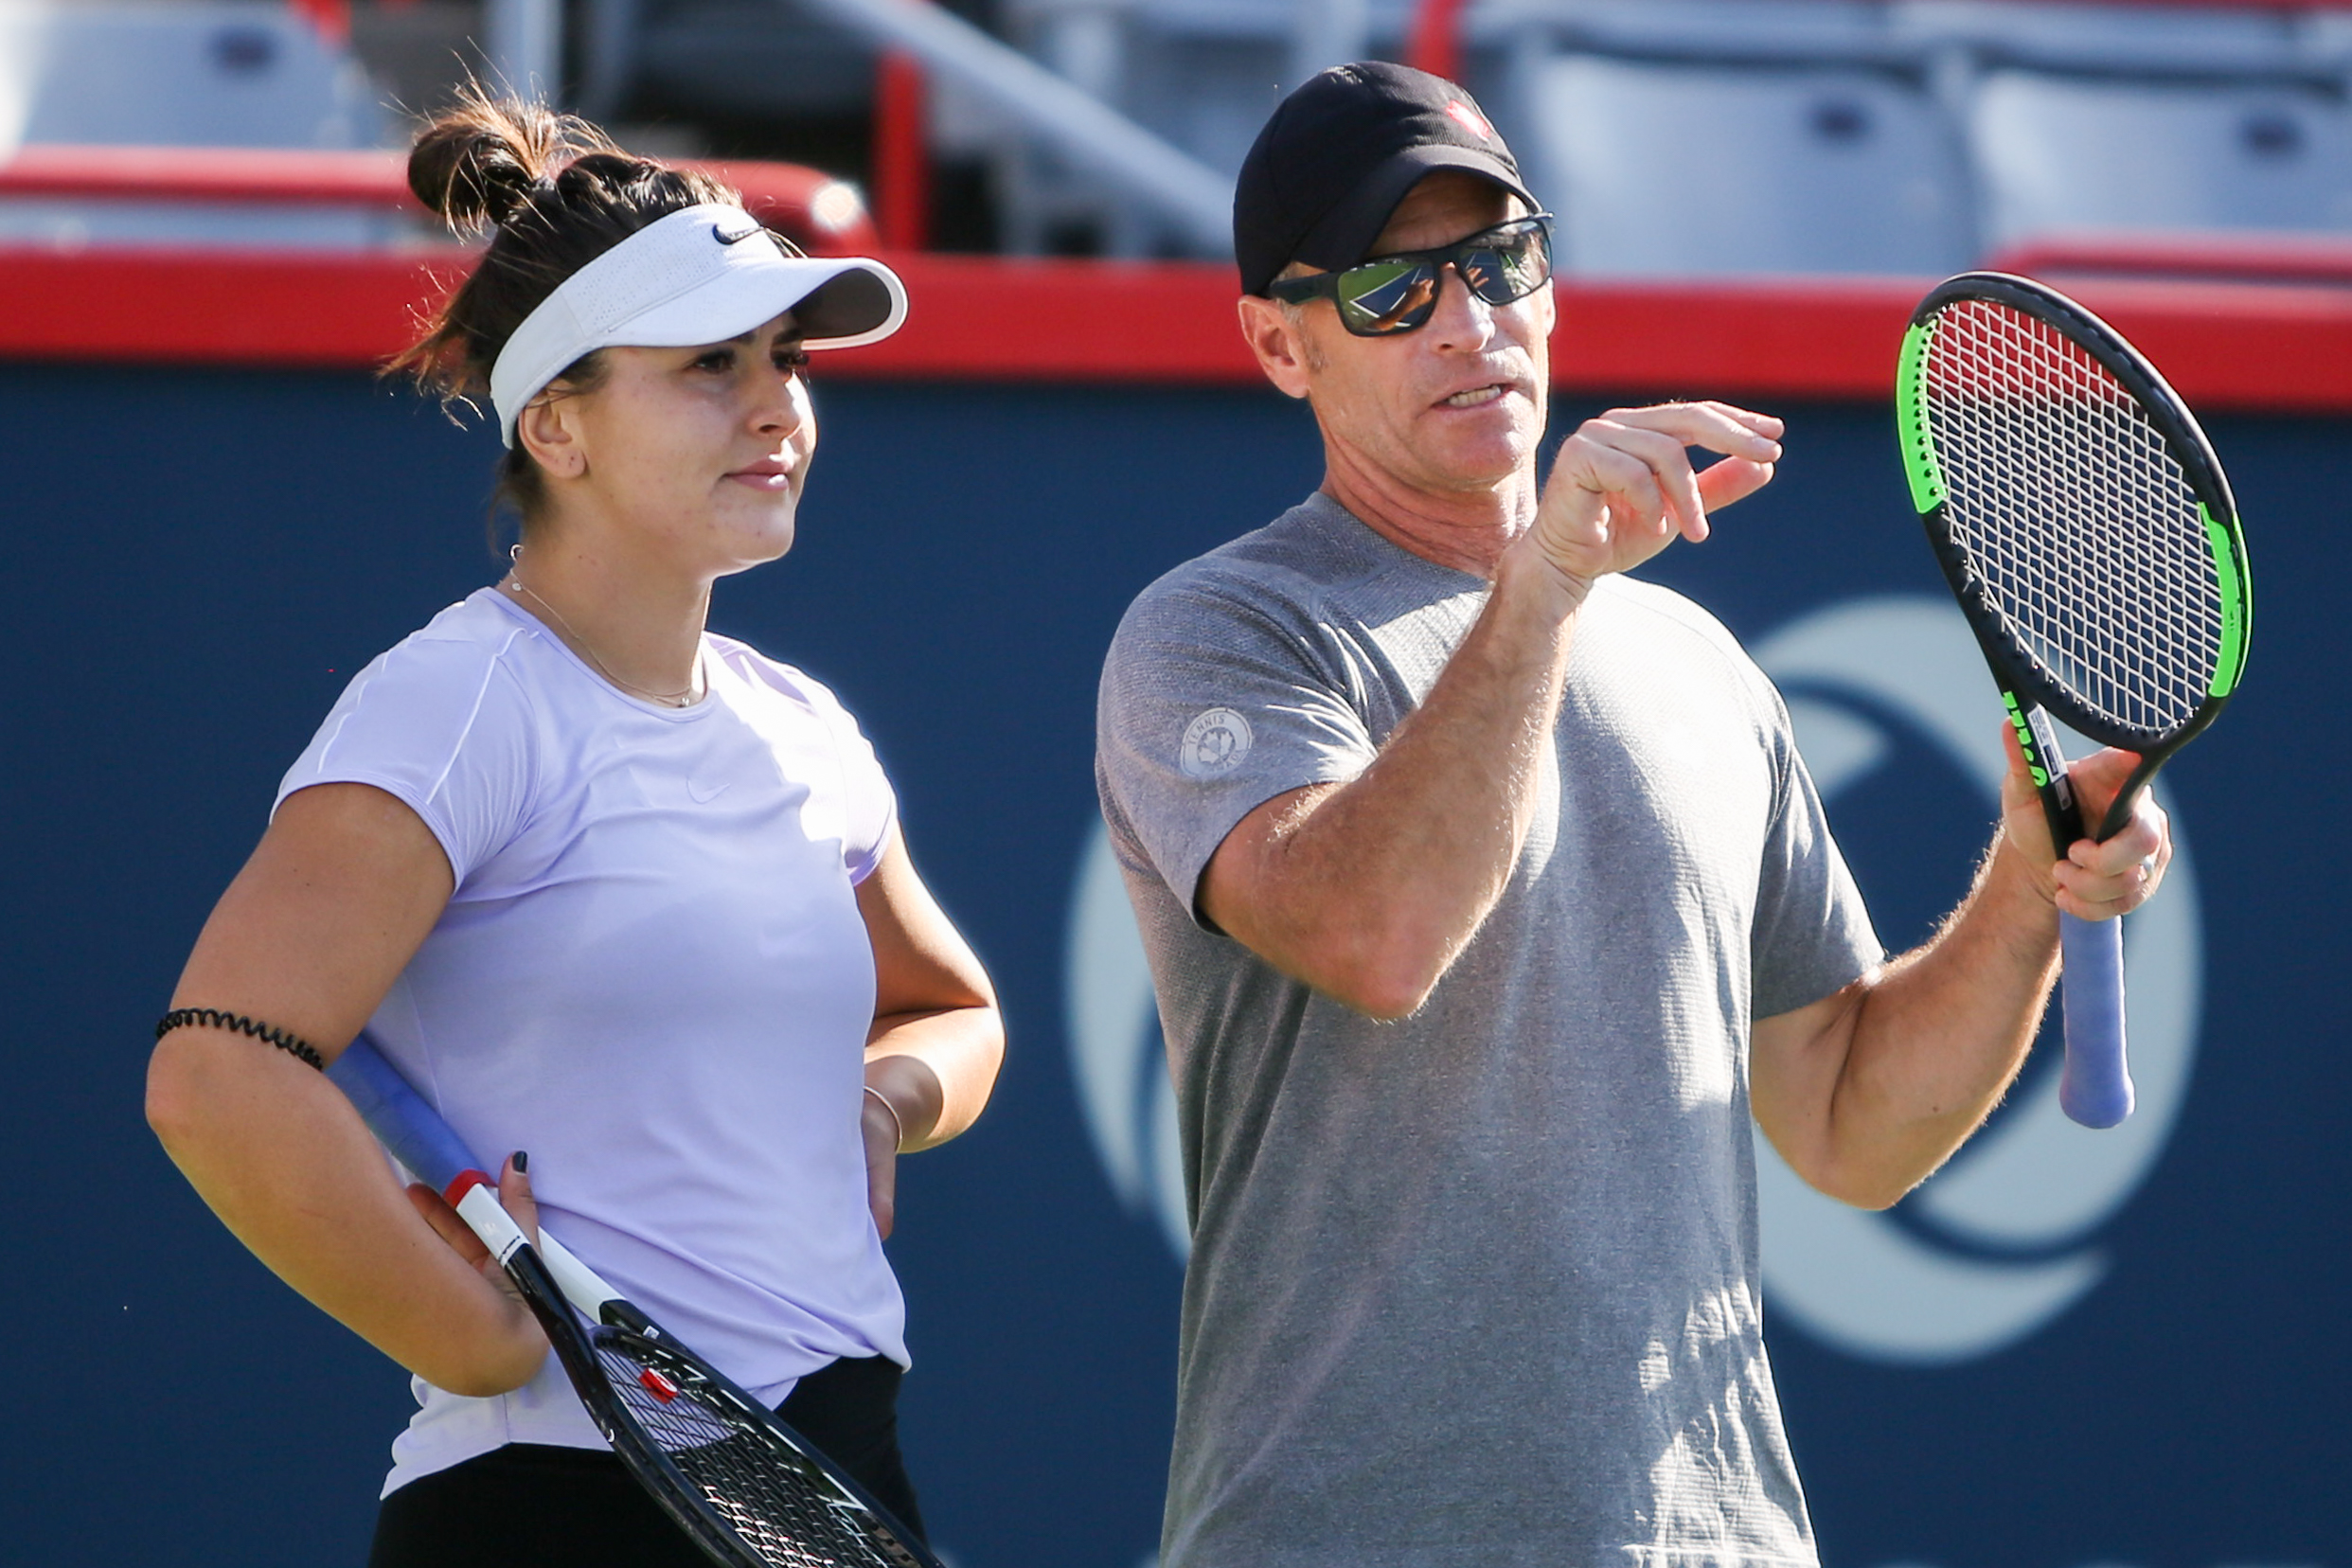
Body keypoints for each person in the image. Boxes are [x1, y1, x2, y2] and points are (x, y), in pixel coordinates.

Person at [1095, 62, 2173, 1568]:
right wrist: (1542, 583)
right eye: (1394, 289)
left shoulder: (1697, 666)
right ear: (1282, 346)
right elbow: (1380, 938)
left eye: (1499, 260)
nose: (1470, 320)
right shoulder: (1218, 631)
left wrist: (2026, 875)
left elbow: (1852, 1125)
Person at [145, 94, 1003, 1568]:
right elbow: (216, 1070)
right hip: (551, 1496)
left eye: (785, 361)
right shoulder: (462, 705)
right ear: (555, 425)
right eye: (709, 367)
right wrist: (478, 1339)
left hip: (834, 1462)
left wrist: (881, 1105)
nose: (774, 405)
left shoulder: (801, 724)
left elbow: (951, 1011)